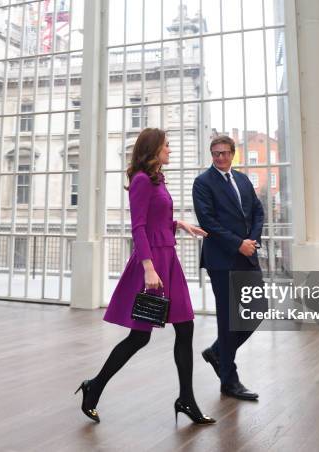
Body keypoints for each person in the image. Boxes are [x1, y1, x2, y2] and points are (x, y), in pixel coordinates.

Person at [76, 128, 216, 425]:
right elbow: (138, 227)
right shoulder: (141, 180)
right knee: (139, 336)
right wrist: (148, 267)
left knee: (186, 327)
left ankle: (186, 399)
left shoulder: (158, 179)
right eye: (166, 146)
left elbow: (158, 216)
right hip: (153, 264)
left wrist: (179, 224)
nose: (170, 150)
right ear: (153, 149)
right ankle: (95, 385)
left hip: (168, 259)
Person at [192, 135, 265, 401]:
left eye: (224, 153)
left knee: (257, 311)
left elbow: (258, 211)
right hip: (222, 259)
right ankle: (228, 380)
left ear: (233, 153)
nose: (220, 157)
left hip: (247, 256)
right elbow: (208, 222)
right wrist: (238, 244)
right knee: (228, 319)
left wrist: (251, 241)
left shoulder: (243, 180)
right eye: (215, 153)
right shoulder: (202, 182)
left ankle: (217, 353)